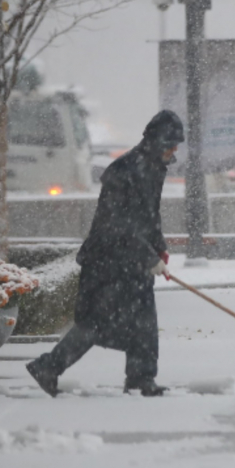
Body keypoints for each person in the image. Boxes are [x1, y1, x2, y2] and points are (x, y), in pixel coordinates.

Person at [27, 109, 185, 397]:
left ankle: (141, 378)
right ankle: (48, 366)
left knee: (144, 321)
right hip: (108, 260)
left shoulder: (153, 168)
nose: (175, 150)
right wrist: (149, 258)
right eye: (171, 144)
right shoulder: (125, 171)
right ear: (157, 142)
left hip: (131, 260)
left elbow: (149, 216)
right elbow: (119, 224)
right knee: (96, 325)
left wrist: (159, 249)